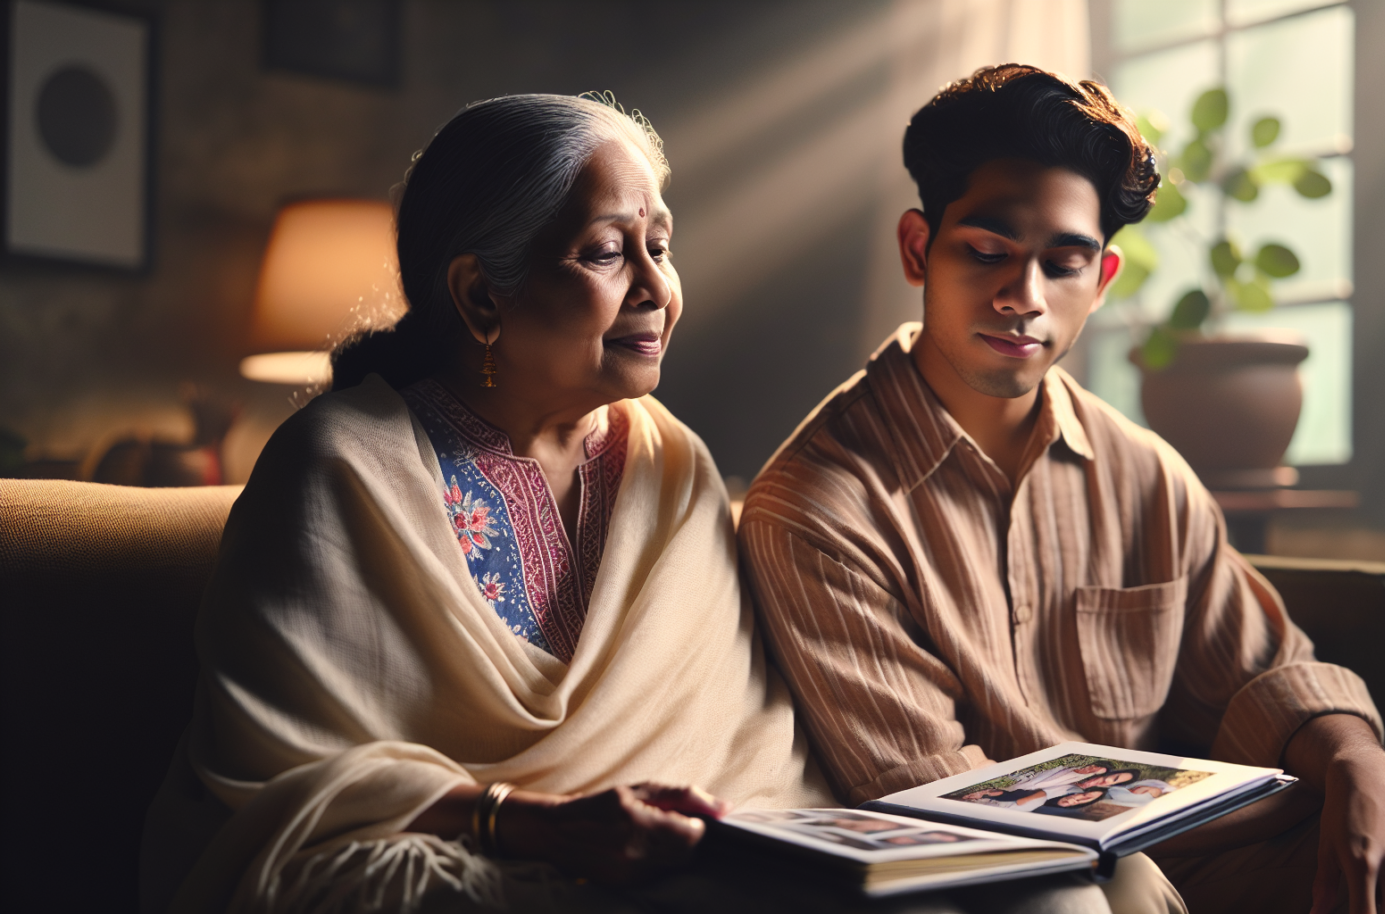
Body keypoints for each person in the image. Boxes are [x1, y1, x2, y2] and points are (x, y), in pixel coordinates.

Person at [140, 91, 1112, 914]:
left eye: (661, 245)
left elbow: (752, 756)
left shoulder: (670, 464)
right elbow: (283, 800)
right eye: (609, 252)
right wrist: (532, 821)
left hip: (688, 868)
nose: (657, 289)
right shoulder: (337, 469)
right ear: (481, 298)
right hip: (456, 863)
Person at [738, 64, 1385, 914]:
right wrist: (1118, 852)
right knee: (1094, 895)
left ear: (1100, 283)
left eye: (1062, 264)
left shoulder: (1144, 472)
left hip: (1188, 853)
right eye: (986, 253)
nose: (1022, 298)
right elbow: (923, 790)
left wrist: (1365, 768)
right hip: (995, 874)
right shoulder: (816, 504)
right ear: (919, 248)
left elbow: (1265, 675)